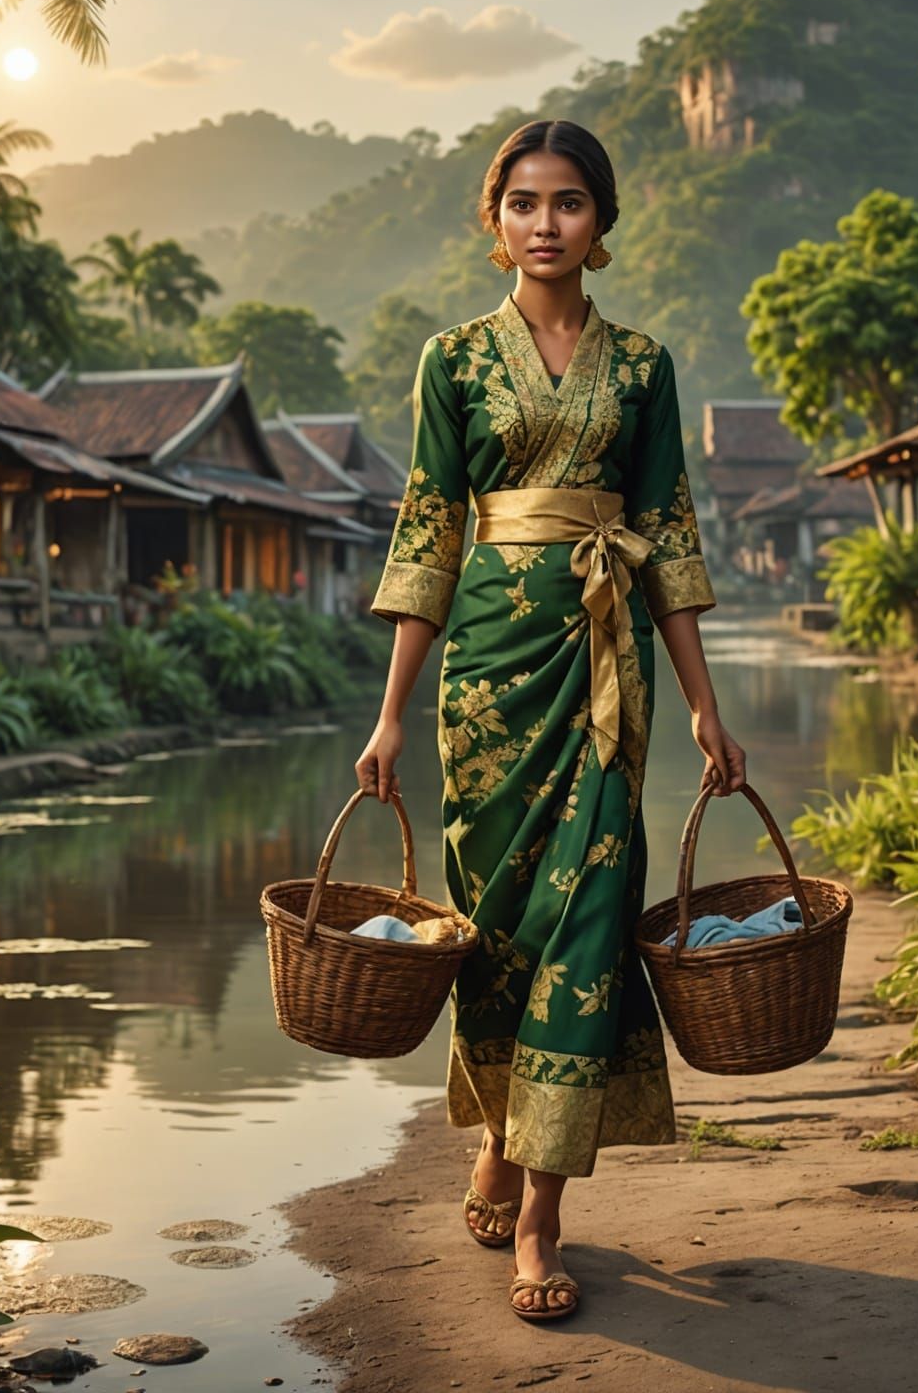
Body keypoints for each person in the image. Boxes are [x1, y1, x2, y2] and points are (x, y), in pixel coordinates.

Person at [355, 119, 747, 1325]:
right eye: (522, 201)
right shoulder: (454, 361)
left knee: (587, 925)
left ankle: (539, 1216)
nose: (544, 222)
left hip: (606, 675)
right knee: (500, 926)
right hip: (488, 681)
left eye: (568, 202)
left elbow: (669, 536)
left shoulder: (643, 368)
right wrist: (387, 721)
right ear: (495, 223)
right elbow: (428, 531)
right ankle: (497, 1137)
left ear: (601, 222)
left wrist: (705, 706)